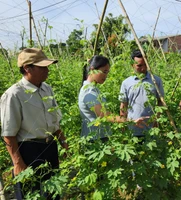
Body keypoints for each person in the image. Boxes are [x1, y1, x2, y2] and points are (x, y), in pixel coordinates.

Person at [0, 48, 68, 199]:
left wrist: (63, 143)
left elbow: (55, 122)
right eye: (42, 67)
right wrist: (17, 163)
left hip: (50, 147)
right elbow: (9, 134)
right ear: (27, 68)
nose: (47, 70)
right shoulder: (14, 94)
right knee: (31, 193)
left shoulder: (47, 89)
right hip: (28, 151)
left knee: (53, 193)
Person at [78, 55, 145, 142]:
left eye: (107, 72)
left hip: (100, 137)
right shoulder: (88, 92)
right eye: (104, 71)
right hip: (94, 140)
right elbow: (105, 116)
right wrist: (131, 121)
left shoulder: (94, 89)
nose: (106, 76)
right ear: (92, 69)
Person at [119, 50, 165, 139]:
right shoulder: (126, 83)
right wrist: (123, 126)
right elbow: (123, 105)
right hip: (132, 128)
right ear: (132, 65)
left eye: (145, 65)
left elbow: (161, 102)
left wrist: (157, 120)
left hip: (151, 128)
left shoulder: (156, 80)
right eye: (139, 66)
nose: (143, 68)